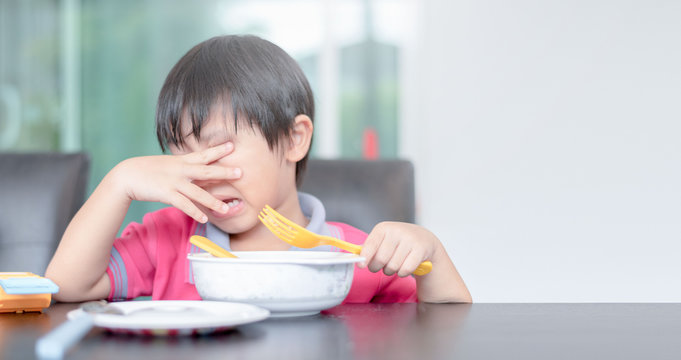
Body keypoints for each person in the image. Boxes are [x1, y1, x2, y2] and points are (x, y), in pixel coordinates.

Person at [45, 35, 471, 304]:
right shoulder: (168, 240)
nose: (203, 173)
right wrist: (118, 181)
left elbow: (447, 322)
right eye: (183, 155)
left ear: (294, 139)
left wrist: (429, 249)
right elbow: (67, 287)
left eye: (219, 148)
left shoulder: (354, 257)